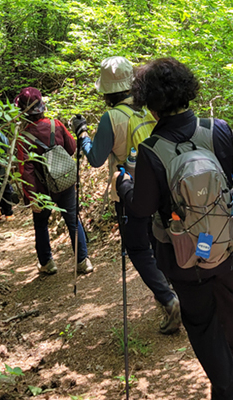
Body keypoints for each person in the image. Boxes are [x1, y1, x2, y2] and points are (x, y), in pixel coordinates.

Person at [116, 58, 233, 400]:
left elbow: (143, 208)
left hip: (185, 257)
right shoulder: (219, 129)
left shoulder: (151, 150)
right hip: (229, 244)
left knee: (200, 320)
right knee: (230, 300)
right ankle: (231, 357)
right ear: (188, 89)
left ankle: (227, 386)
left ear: (148, 102)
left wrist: (124, 185)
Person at [70, 56, 181, 334]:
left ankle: (169, 300)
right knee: (161, 240)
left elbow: (95, 158)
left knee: (138, 248)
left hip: (130, 190)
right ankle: (173, 291)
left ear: (107, 91)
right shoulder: (149, 110)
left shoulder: (112, 117)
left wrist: (82, 134)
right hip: (163, 186)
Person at [15, 86, 93, 276]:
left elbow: (26, 170)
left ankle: (47, 263)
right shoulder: (55, 125)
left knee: (41, 224)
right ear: (42, 106)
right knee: (73, 221)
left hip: (42, 190)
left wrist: (32, 198)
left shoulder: (23, 137)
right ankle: (83, 261)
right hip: (64, 183)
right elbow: (72, 148)